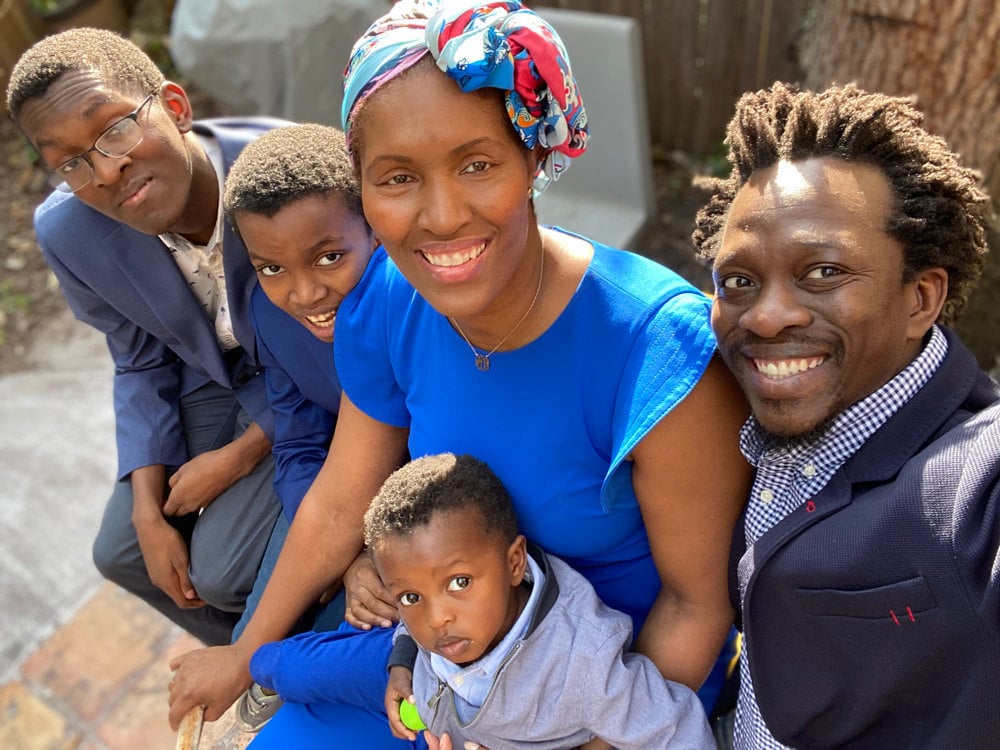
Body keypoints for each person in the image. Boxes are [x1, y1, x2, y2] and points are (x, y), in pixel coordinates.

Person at [168, 1, 752, 743]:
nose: (440, 216)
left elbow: (695, 606)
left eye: (477, 164)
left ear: (535, 156)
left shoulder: (653, 352)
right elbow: (343, 499)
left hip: (609, 694)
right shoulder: (389, 299)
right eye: (398, 177)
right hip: (447, 658)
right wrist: (244, 653)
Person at [692, 81, 1000, 748]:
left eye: (824, 272)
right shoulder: (720, 402)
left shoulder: (970, 483)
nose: (768, 316)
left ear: (921, 298)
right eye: (739, 282)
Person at [6, 29, 287, 648]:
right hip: (215, 376)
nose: (105, 171)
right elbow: (138, 361)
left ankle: (280, 642)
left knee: (220, 570)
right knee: (124, 551)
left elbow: (351, 340)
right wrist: (144, 503)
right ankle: (255, 651)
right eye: (71, 163)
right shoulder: (70, 231)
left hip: (310, 375)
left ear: (176, 108)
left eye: (114, 130)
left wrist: (239, 456)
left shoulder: (280, 170)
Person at [252, 452, 717, 749]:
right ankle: (258, 668)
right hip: (409, 680)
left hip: (444, 726)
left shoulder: (582, 667)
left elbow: (678, 733)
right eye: (412, 596)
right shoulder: (436, 625)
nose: (437, 618)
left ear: (515, 563)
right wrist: (403, 656)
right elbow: (415, 620)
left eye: (459, 583)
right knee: (293, 669)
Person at [222, 122, 379, 729]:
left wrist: (373, 547)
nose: (305, 292)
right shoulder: (269, 316)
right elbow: (297, 442)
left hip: (431, 512)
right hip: (339, 507)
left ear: (372, 225)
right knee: (262, 627)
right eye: (271, 267)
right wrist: (347, 559)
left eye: (329, 257)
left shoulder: (410, 301)